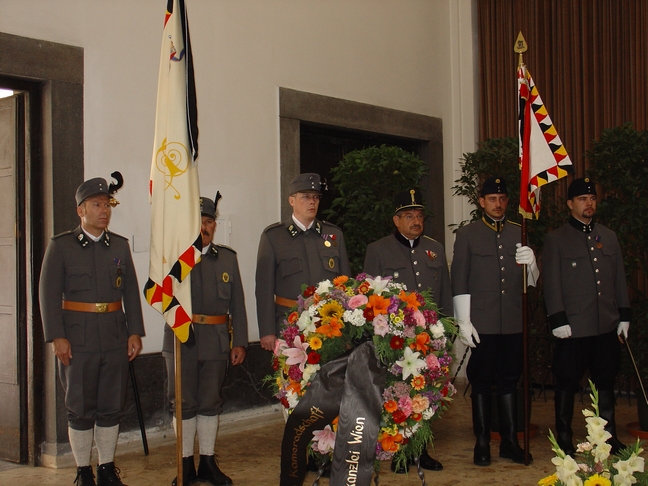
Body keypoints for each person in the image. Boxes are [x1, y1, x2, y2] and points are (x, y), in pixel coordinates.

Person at [39, 175, 145, 486]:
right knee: (81, 407)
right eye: (97, 205)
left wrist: (134, 331)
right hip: (77, 338)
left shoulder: (120, 247)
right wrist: (57, 336)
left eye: (107, 204)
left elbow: (129, 292)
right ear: (81, 211)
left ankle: (107, 469)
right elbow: (48, 295)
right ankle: (83, 471)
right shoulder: (62, 246)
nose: (104, 210)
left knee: (111, 404)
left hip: (114, 335)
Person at [451, 176, 539, 466]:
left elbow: (532, 283)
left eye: (502, 199)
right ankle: (482, 441)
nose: (498, 204)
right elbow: (459, 278)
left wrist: (533, 265)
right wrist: (463, 320)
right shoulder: (468, 234)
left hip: (513, 320)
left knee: (510, 381)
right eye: (492, 199)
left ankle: (510, 441)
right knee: (482, 381)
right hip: (483, 323)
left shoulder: (519, 231)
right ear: (481, 202)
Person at [163, 193, 248, 486]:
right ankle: (185, 463)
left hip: (215, 338)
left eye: (209, 221)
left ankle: (208, 462)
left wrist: (239, 342)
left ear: (215, 224)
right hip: (181, 338)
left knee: (211, 401)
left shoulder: (227, 257)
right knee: (183, 402)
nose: (205, 226)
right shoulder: (174, 256)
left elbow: (238, 302)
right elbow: (161, 294)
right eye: (198, 221)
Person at [363, 188, 451, 473]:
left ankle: (421, 450)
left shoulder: (435, 248)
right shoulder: (378, 249)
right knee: (397, 397)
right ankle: (399, 452)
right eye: (409, 216)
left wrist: (446, 329)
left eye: (420, 216)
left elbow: (445, 293)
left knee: (426, 395)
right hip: (395, 337)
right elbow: (371, 299)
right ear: (396, 220)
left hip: (428, 338)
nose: (416, 221)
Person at [543, 177, 630, 456]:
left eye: (591, 198)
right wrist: (557, 319)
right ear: (570, 204)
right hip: (573, 327)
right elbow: (552, 283)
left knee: (605, 381)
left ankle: (607, 437)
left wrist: (624, 316)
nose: (588, 203)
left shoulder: (609, 236)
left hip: (605, 323)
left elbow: (618, 279)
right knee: (567, 382)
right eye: (582, 199)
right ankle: (565, 438)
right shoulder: (556, 239)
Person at [255, 173, 351, 352]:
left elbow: (345, 285)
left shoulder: (333, 235)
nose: (312, 202)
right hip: (289, 324)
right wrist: (267, 331)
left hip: (328, 326)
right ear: (291, 200)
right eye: (306, 197)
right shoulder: (274, 237)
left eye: (316, 197)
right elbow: (264, 289)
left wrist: (347, 327)